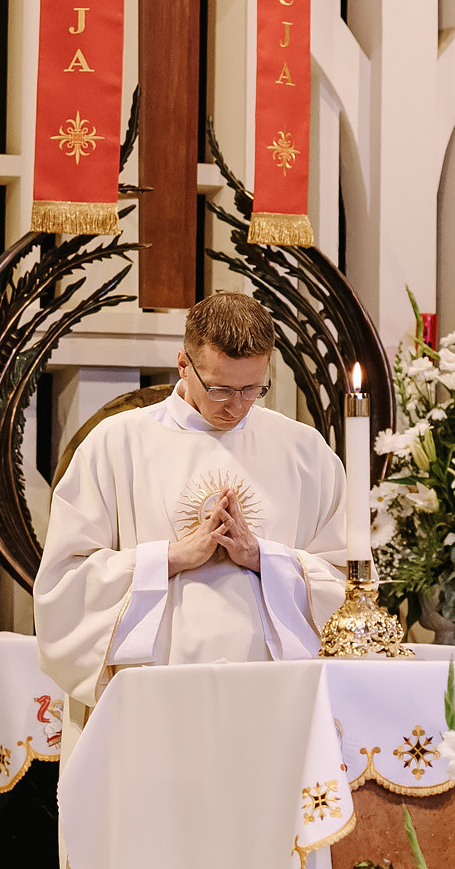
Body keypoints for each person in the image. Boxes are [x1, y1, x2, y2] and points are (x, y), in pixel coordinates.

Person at [36, 292, 350, 707]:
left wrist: (262, 557)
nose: (236, 407)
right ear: (183, 365)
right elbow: (65, 584)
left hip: (274, 693)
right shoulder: (116, 443)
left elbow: (349, 587)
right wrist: (171, 557)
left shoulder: (305, 453)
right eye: (221, 389)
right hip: (156, 693)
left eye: (252, 388)